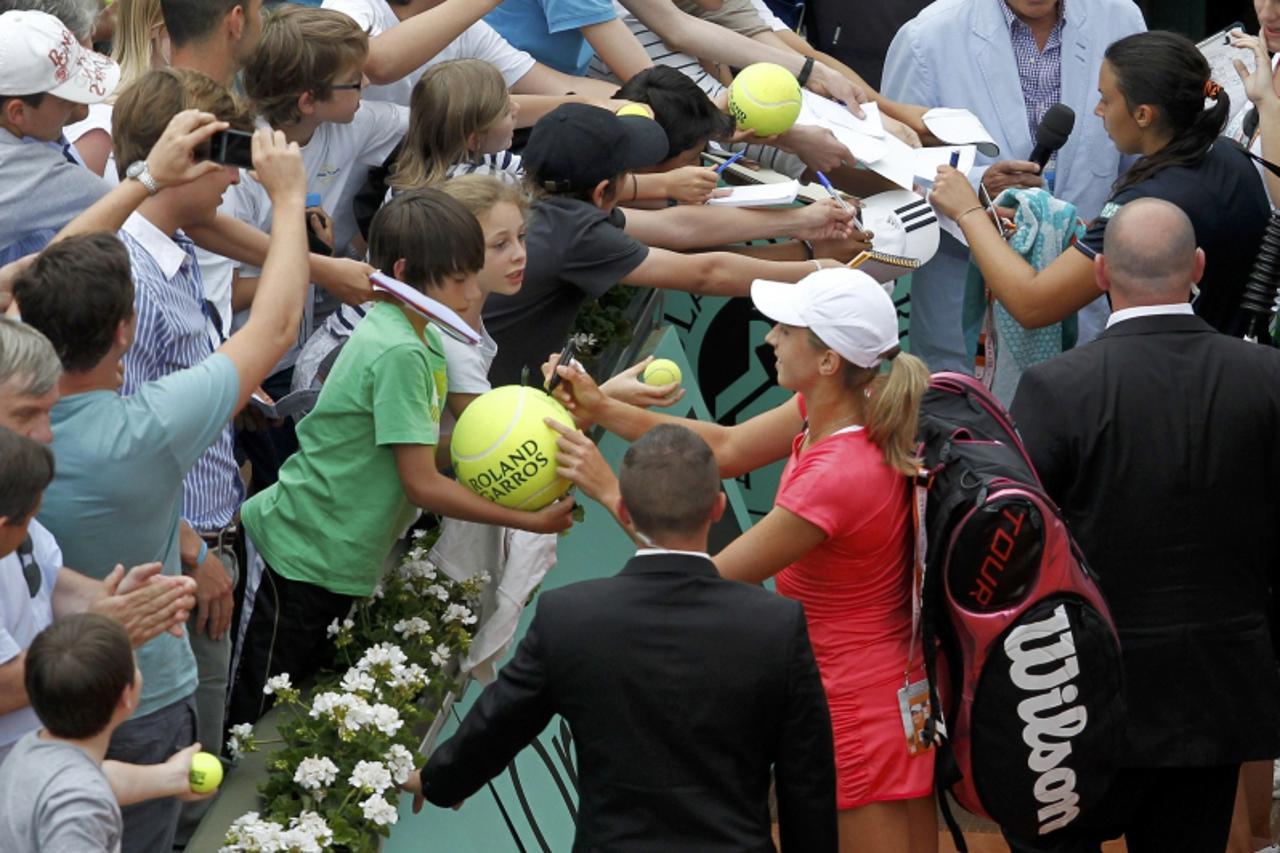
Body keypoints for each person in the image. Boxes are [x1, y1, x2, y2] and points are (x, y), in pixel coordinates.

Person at [548, 267, 936, 852]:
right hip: (894, 695)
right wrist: (602, 408)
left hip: (853, 713)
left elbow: (701, 578)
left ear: (828, 360)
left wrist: (609, 490)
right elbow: (725, 449)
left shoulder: (835, 478)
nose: (770, 338)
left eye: (786, 329)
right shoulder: (854, 402)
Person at [16, 121, 310, 852]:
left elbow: (28, 282)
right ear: (125, 330)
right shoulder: (146, 430)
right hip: (140, 697)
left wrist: (143, 181)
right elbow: (274, 326)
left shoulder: (10, 404)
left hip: (36, 727)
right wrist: (289, 194)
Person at [226, 188, 576, 729]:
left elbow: (412, 445)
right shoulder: (401, 350)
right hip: (296, 559)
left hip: (335, 563)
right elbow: (421, 484)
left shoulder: (421, 335)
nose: (468, 292)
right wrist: (527, 517)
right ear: (408, 270)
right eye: (457, 278)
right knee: (249, 719)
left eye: (471, 275)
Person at [401, 423, 838, 852]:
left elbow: (501, 720)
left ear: (624, 510)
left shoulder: (570, 618)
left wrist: (440, 780)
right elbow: (808, 779)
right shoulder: (776, 625)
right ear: (718, 508)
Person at [1003, 198, 1280, 852]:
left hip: (1080, 698)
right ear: (1199, 268)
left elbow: (1019, 544)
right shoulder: (1268, 378)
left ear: (1100, 272)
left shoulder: (1055, 387)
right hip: (1218, 689)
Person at [483, 102, 865, 385]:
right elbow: (704, 273)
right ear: (603, 191)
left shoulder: (546, 207)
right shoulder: (577, 232)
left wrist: (802, 220)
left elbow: (678, 226)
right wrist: (815, 272)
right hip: (484, 391)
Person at [929, 30, 1271, 340]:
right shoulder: (1230, 156)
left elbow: (1033, 304)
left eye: (1106, 99)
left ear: (1143, 115)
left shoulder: (1145, 207)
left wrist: (968, 210)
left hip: (1175, 389)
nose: (1098, 110)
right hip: (1243, 372)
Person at [881, 0, 1146, 373]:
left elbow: (1144, 158)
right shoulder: (927, 37)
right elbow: (892, 170)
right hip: (966, 310)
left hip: (1087, 309)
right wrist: (976, 185)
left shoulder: (1121, 18)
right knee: (971, 427)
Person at [0, 324, 197, 767]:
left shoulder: (12, 494)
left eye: (50, 413)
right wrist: (100, 634)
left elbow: (45, 581)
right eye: (28, 414)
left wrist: (119, 601)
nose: (45, 434)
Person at [0, 613, 208, 851]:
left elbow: (97, 777)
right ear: (126, 697)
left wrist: (171, 777)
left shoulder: (31, 749)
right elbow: (85, 789)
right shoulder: (82, 808)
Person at [0, 9, 117, 263]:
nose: (78, 101)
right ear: (17, 112)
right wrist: (151, 176)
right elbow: (121, 208)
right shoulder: (25, 170)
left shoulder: (26, 138)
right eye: (64, 95)